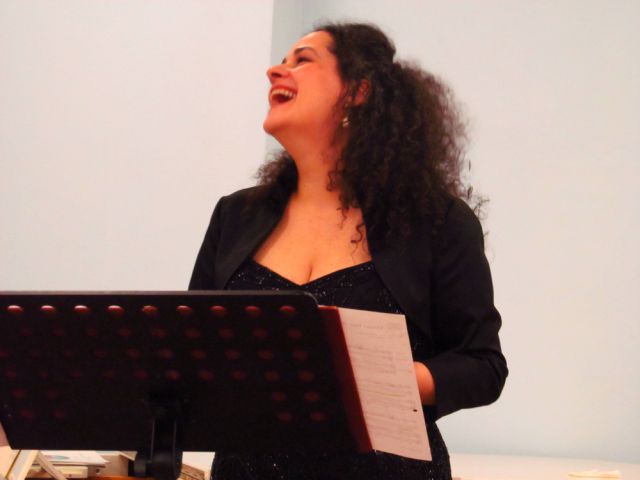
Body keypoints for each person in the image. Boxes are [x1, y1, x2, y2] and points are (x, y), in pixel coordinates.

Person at [189, 22, 507, 480]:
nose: (275, 71)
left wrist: (372, 380)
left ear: (358, 92)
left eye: (303, 60)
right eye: (283, 60)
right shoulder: (235, 215)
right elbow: (192, 351)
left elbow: (482, 365)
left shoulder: (436, 221)